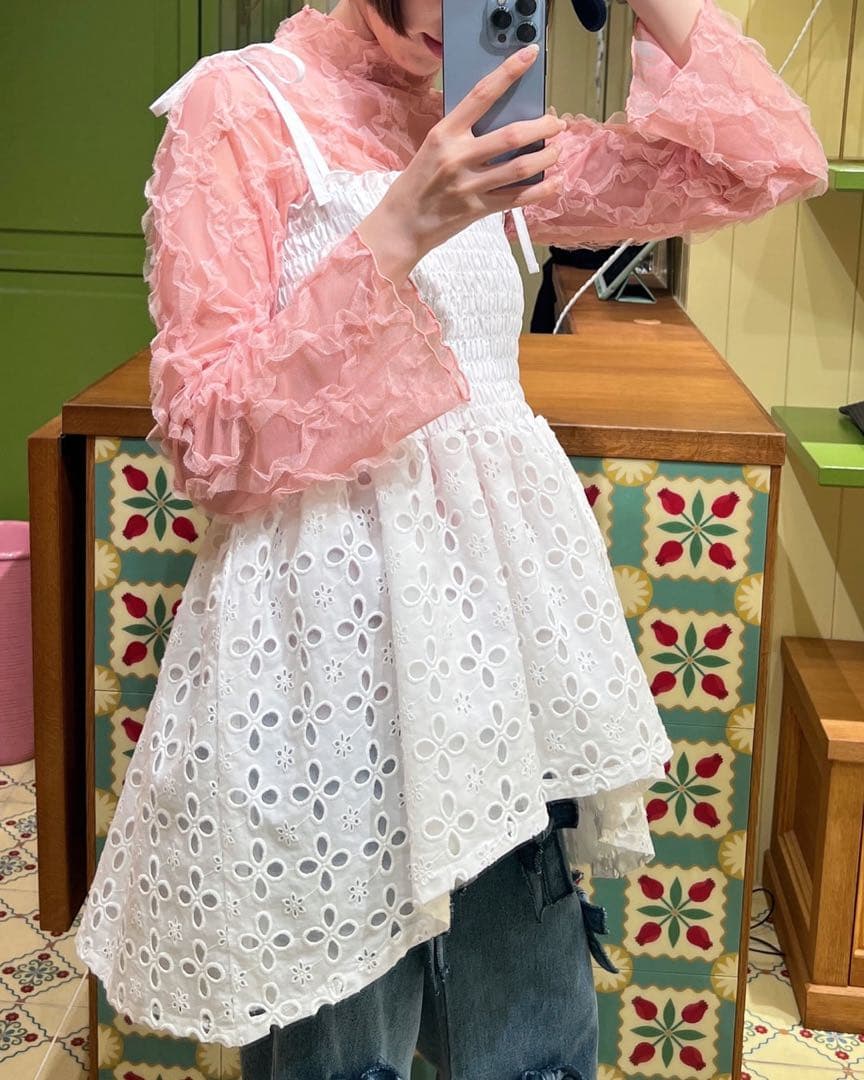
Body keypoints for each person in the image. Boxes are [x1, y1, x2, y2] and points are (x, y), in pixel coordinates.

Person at [75, 1, 829, 1077]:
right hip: (322, 675)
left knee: (531, 1046)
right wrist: (400, 229)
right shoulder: (242, 107)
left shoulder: (494, 122)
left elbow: (765, 161)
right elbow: (210, 446)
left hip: (497, 667)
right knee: (347, 1055)